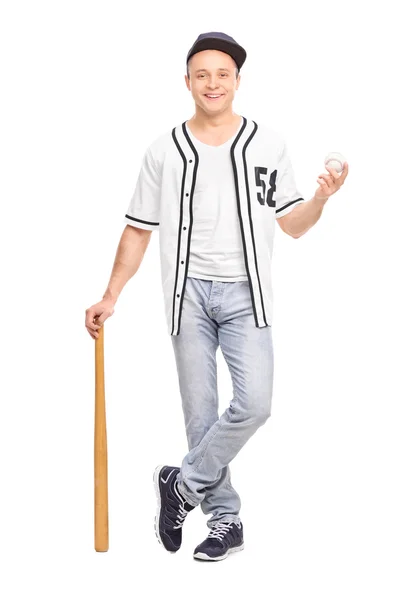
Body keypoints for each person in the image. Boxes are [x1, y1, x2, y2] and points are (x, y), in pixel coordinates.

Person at [85, 31, 349, 562]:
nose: (212, 83)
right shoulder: (165, 150)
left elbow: (293, 225)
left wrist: (321, 198)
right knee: (202, 418)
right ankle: (225, 521)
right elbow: (138, 230)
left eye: (222, 74)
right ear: (187, 82)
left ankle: (180, 486)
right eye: (202, 74)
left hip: (247, 296)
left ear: (237, 81)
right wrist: (111, 294)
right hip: (187, 297)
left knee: (255, 404)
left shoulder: (267, 144)